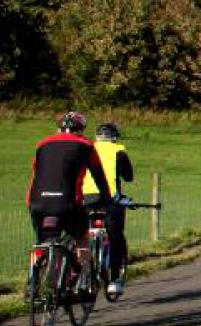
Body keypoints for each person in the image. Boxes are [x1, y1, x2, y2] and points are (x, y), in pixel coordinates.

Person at [27, 111, 111, 291]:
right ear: (81, 129)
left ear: (59, 128)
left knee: (42, 241)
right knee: (82, 236)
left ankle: (32, 283)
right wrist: (106, 198)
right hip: (67, 202)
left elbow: (36, 171)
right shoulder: (86, 145)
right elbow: (99, 175)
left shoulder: (42, 144)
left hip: (37, 202)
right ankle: (84, 277)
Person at [83, 121, 134, 296]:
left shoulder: (86, 149)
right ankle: (114, 279)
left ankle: (78, 275)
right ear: (114, 138)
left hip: (85, 199)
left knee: (80, 235)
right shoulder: (118, 150)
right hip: (110, 200)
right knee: (115, 235)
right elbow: (128, 177)